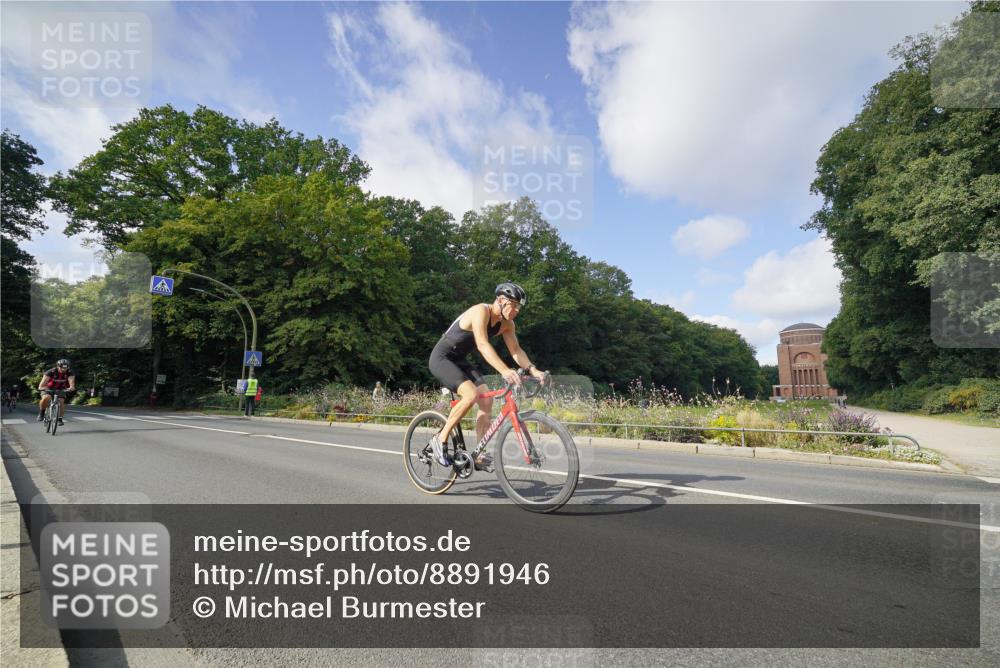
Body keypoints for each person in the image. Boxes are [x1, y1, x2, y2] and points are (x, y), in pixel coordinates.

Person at [427, 282, 547, 468]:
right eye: (513, 304)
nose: (516, 310)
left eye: (519, 307)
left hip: (459, 360)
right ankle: (440, 439)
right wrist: (505, 371)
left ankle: (478, 452)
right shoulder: (480, 311)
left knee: (486, 401)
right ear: (500, 300)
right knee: (471, 395)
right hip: (442, 358)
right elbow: (482, 344)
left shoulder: (507, 324)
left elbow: (515, 350)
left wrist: (533, 369)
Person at [38, 359, 75, 425]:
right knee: (47, 397)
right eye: (62, 367)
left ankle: (60, 419)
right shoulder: (50, 372)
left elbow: (71, 382)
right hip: (48, 388)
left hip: (61, 389)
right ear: (58, 366)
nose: (64, 369)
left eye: (65, 368)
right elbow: (41, 385)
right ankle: (42, 413)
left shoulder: (70, 372)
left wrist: (71, 387)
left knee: (61, 401)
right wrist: (42, 388)